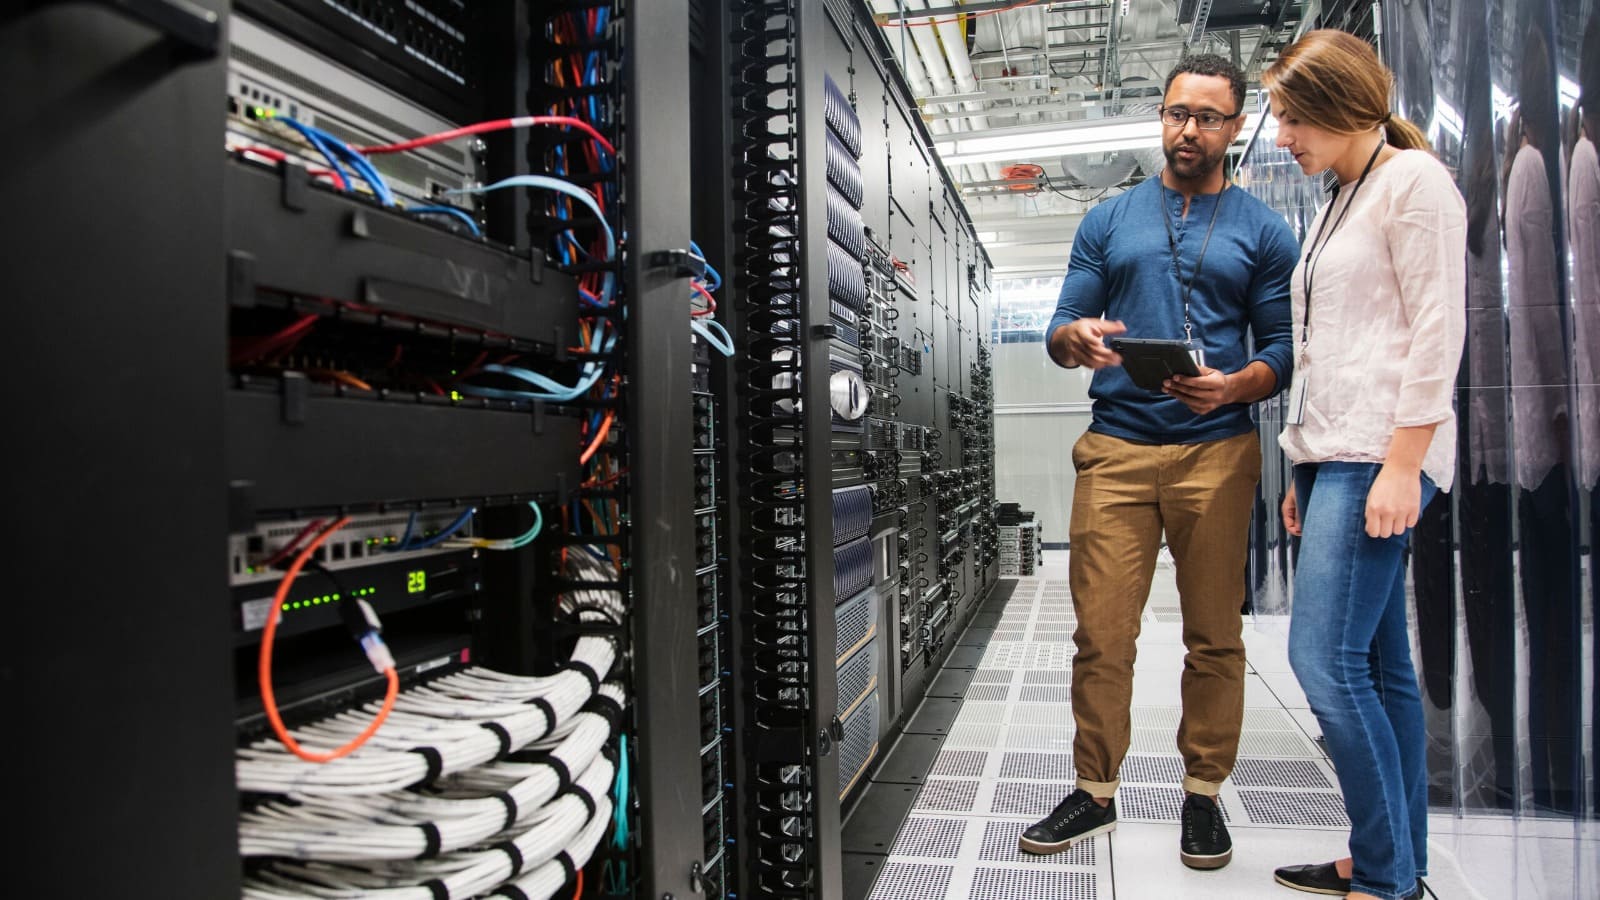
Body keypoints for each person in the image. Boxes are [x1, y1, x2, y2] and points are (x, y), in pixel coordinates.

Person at [1026, 54, 1297, 870]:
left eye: (1208, 117)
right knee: (1101, 636)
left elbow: (1282, 349)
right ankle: (1095, 791)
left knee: (1214, 637)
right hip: (1116, 450)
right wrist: (1071, 338)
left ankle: (1203, 795)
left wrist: (1235, 385)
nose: (1190, 130)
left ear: (1234, 126)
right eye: (1179, 113)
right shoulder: (1109, 220)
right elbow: (1063, 322)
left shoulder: (1264, 231)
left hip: (1218, 452)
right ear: (1162, 115)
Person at [1264, 29, 1465, 900]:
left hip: (1379, 454)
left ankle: (1385, 881)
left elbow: (1437, 332)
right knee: (1381, 672)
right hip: (1332, 456)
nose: (1282, 138)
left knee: (1324, 663)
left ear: (1341, 106)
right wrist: (1298, 467)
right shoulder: (1344, 195)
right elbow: (1325, 348)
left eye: (1292, 119)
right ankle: (1396, 859)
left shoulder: (1414, 182)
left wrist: (1403, 464)